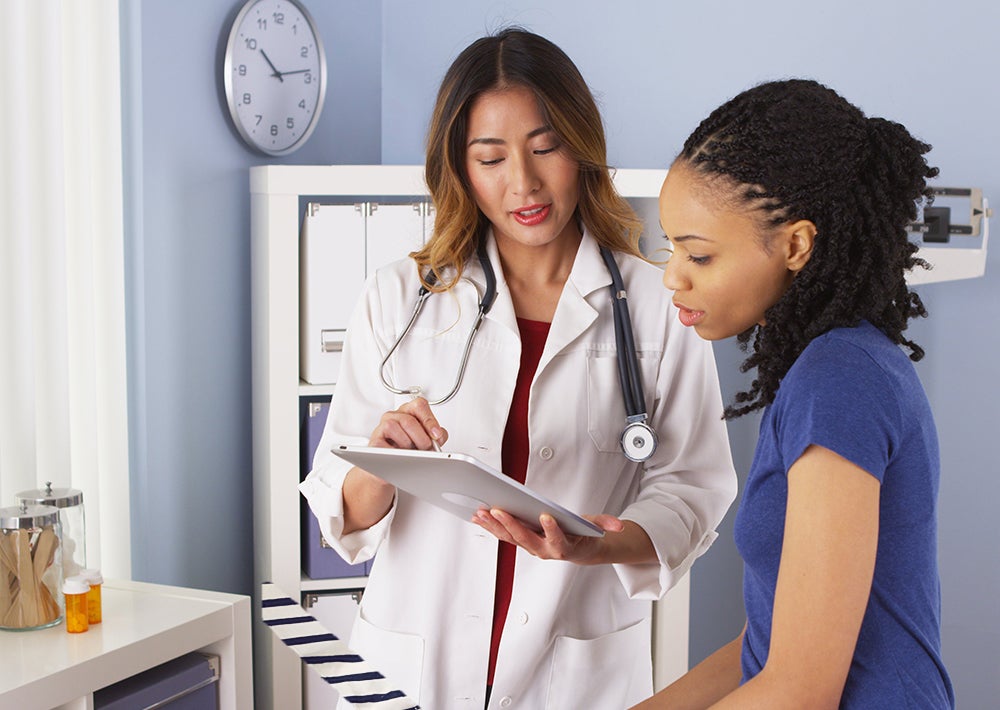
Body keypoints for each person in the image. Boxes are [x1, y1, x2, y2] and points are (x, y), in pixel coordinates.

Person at [299, 27, 737, 710]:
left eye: (545, 147)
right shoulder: (397, 298)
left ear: (581, 148)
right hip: (415, 667)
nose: (523, 183)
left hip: (575, 674)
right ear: (460, 167)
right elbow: (341, 511)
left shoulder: (656, 305)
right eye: (491, 157)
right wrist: (376, 464)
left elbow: (694, 485)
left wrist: (602, 546)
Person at [632, 78, 954, 709]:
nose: (672, 275)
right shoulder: (827, 369)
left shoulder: (840, 379)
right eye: (672, 248)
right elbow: (769, 647)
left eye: (698, 255)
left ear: (796, 245)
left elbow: (800, 691)